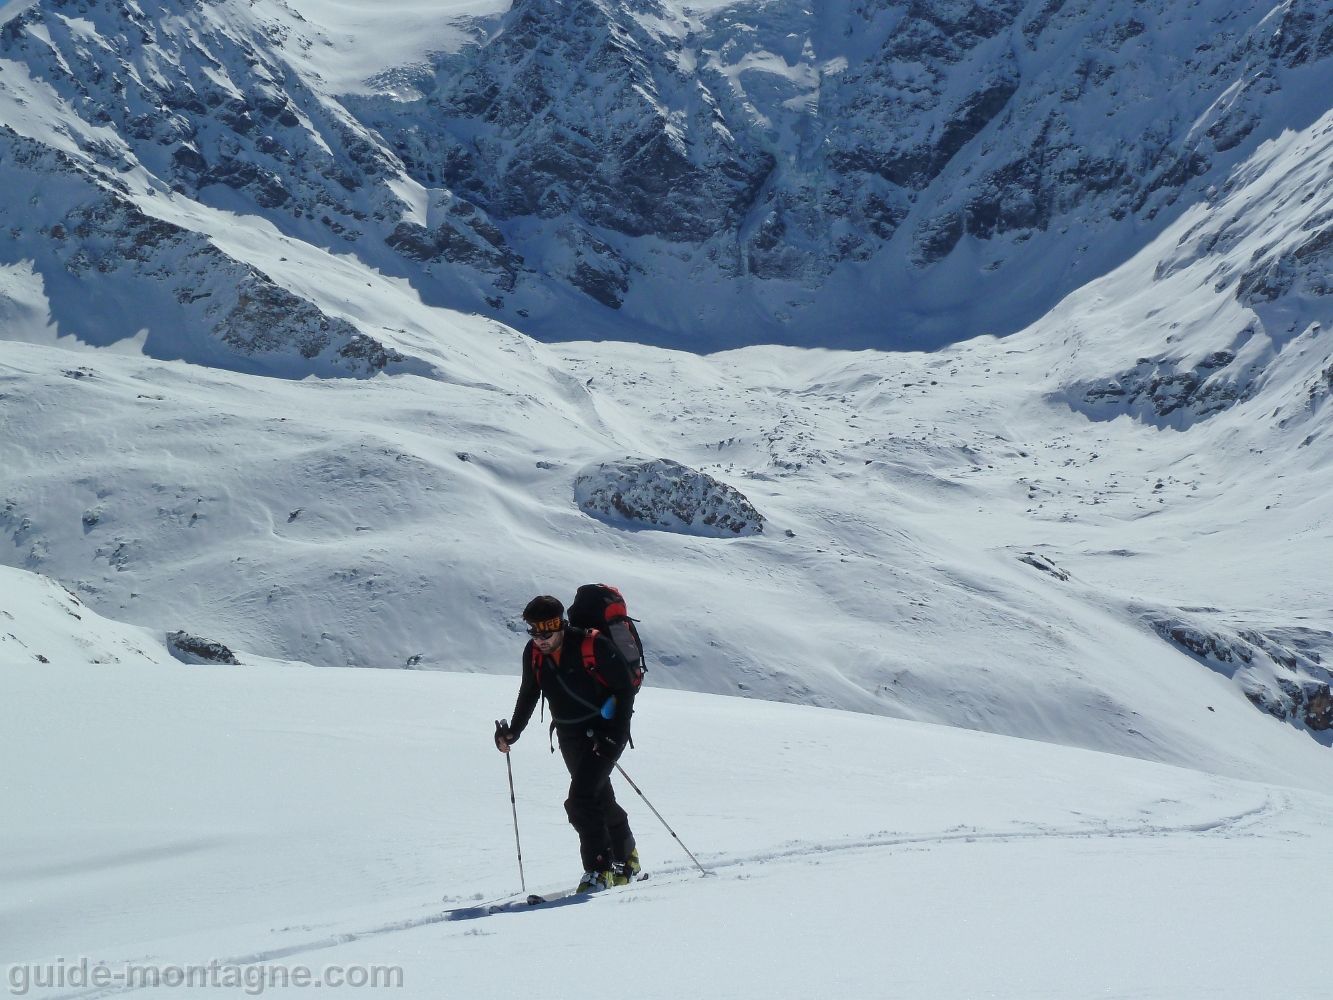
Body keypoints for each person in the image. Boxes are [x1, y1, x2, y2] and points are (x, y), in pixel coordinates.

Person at [494, 595, 641, 893]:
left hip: (604, 734)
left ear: (560, 625)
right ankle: (628, 859)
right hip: (569, 736)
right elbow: (529, 691)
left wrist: (612, 737)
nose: (540, 640)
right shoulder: (534, 653)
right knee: (599, 798)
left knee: (580, 801)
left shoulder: (593, 645)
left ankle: (598, 871)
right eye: (533, 633)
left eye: (546, 634)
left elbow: (625, 691)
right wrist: (514, 732)